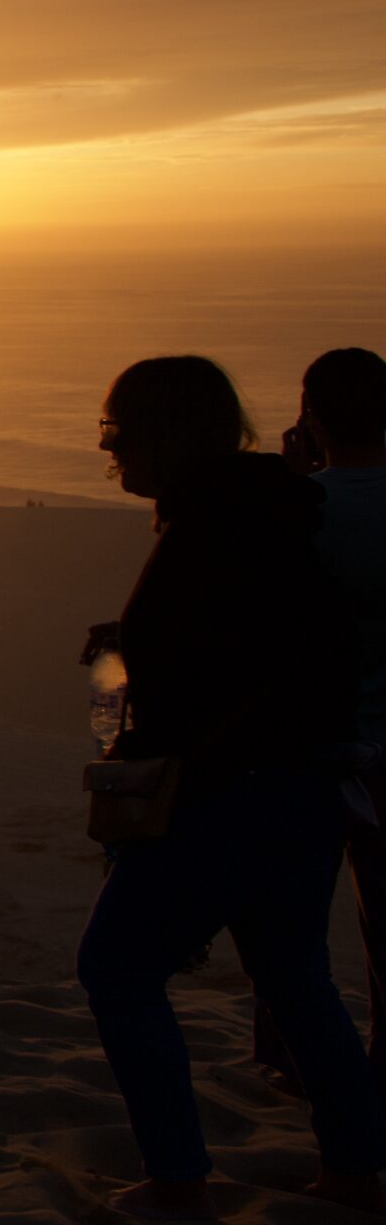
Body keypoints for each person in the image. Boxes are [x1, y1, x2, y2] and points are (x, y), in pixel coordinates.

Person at [78, 354, 385, 1215]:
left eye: (117, 430)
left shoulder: (215, 523)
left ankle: (178, 1179)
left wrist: (160, 779)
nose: (109, 452)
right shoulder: (267, 509)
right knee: (295, 976)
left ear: (163, 433)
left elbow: (230, 667)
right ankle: (357, 1167)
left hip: (231, 789)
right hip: (307, 782)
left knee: (115, 966)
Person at [253, 347, 386, 1093]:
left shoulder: (305, 511)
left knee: (289, 928)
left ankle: (292, 1064)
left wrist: (294, 488)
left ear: (311, 416)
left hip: (315, 748)